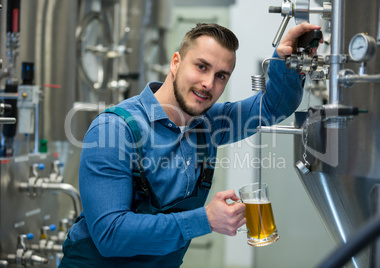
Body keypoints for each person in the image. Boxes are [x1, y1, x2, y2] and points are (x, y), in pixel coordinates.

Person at [60, 22, 321, 267]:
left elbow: (272, 108)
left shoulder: (209, 124)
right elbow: (110, 234)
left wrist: (285, 60)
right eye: (201, 66)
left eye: (221, 76)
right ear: (176, 62)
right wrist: (205, 219)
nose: (209, 83)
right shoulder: (115, 130)